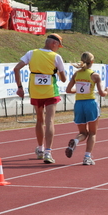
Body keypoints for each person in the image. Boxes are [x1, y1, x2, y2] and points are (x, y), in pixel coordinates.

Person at [13, 34, 67, 164]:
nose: (58, 49)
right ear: (54, 43)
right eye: (58, 46)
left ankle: (41, 149)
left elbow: (16, 68)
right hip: (50, 92)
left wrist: (20, 87)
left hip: (36, 92)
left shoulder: (32, 53)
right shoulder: (56, 57)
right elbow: (64, 79)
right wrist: (56, 71)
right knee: (50, 121)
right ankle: (48, 152)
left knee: (39, 120)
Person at [65, 52, 108, 165]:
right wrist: (107, 91)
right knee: (92, 133)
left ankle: (76, 140)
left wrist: (78, 90)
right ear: (92, 62)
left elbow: (68, 90)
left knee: (83, 133)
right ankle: (87, 157)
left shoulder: (76, 74)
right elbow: (102, 93)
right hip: (90, 103)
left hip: (79, 104)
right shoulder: (95, 75)